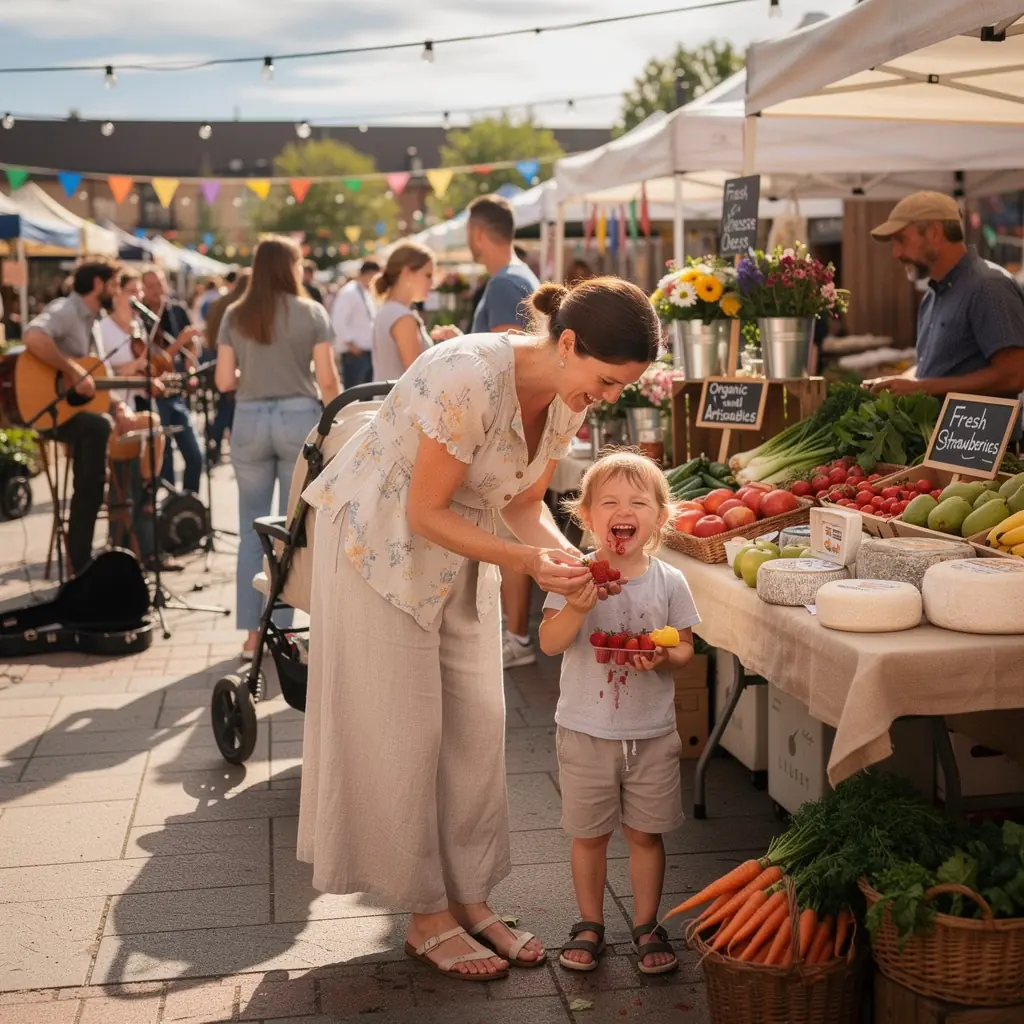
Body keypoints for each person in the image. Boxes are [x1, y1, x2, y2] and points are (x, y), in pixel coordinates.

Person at [297, 276, 661, 983]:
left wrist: (566, 557)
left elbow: (525, 501)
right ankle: (425, 914)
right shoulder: (465, 375)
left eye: (622, 386)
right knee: (406, 736)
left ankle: (469, 898)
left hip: (463, 555)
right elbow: (425, 512)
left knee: (475, 725)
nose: (609, 396)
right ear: (566, 343)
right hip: (379, 551)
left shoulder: (566, 396)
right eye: (608, 380)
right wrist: (528, 560)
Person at [538, 450, 700, 975]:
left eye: (637, 501)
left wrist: (660, 655)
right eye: (608, 501)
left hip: (651, 733)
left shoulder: (669, 581)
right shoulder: (572, 574)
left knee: (645, 834)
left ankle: (648, 924)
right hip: (585, 730)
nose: (621, 509)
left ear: (659, 517)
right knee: (588, 834)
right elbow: (549, 642)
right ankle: (590, 922)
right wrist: (580, 605)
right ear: (586, 516)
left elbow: (684, 651)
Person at [215, 235, 341, 659]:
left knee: (251, 529)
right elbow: (327, 381)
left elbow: (223, 381)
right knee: (294, 531)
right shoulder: (311, 312)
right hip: (297, 419)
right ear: (292, 267)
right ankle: (284, 632)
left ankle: (252, 636)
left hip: (249, 419)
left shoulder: (236, 314)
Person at [868, 191, 1024, 411]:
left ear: (934, 233)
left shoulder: (988, 286)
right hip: (945, 441)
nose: (896, 253)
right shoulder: (932, 296)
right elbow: (937, 372)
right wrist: (898, 382)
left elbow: (1015, 375)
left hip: (983, 443)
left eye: (901, 240)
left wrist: (921, 388)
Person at [22, 259, 127, 574]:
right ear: (98, 284)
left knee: (101, 431)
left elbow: (95, 380)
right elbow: (33, 336)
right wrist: (71, 369)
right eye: (113, 285)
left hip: (77, 418)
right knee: (98, 430)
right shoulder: (67, 310)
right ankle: (80, 560)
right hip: (46, 409)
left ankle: (97, 548)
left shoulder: (93, 321)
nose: (116, 292)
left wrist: (118, 404)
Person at [140, 267, 204, 493]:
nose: (158, 290)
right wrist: (180, 342)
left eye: (160, 283)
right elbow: (158, 361)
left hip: (177, 392)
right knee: (164, 459)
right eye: (151, 286)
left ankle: (188, 502)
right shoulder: (142, 319)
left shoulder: (176, 310)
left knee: (195, 456)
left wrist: (191, 358)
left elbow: (193, 344)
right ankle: (169, 507)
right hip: (156, 395)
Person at [203, 270, 251, 463]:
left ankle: (216, 441)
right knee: (228, 404)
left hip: (215, 356)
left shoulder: (217, 302)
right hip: (231, 358)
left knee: (224, 403)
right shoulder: (241, 306)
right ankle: (217, 440)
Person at [371, 244, 435, 381]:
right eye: (427, 275)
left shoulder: (389, 309)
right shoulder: (401, 316)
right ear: (407, 273)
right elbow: (419, 377)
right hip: (403, 401)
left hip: (389, 399)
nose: (432, 283)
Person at [331, 260, 379, 389]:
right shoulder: (348, 292)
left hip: (367, 351)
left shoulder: (366, 292)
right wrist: (351, 345)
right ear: (368, 274)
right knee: (353, 394)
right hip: (355, 352)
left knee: (367, 394)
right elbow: (338, 321)